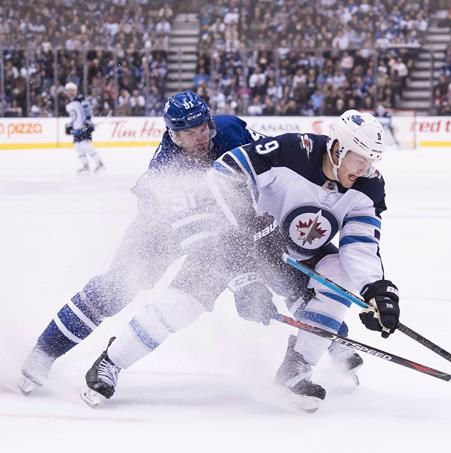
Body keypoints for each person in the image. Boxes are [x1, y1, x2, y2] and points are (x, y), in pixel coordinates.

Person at [18, 90, 265, 396]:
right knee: (116, 288)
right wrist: (242, 278)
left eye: (203, 127)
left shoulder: (231, 129)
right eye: (190, 132)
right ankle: (44, 351)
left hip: (222, 225)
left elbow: (276, 160)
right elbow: (201, 242)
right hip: (159, 230)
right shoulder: (166, 169)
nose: (201, 137)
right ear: (174, 135)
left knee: (188, 300)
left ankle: (115, 358)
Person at [208, 110, 401, 411]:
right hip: (257, 246)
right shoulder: (293, 150)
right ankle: (331, 337)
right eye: (360, 158)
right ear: (338, 149)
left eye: (372, 160)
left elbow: (360, 244)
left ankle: (298, 366)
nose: (366, 168)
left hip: (306, 253)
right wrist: (250, 224)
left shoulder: (369, 186)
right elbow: (226, 170)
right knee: (302, 297)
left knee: (342, 276)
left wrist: (375, 289)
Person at [63, 82, 105, 174]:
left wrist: (88, 121)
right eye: (69, 91)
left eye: (72, 90)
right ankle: (85, 166)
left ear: (75, 91)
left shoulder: (80, 99)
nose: (70, 92)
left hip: (83, 127)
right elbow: (74, 116)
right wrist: (70, 125)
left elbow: (87, 110)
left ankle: (99, 164)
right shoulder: (67, 103)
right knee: (78, 147)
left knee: (87, 146)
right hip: (76, 129)